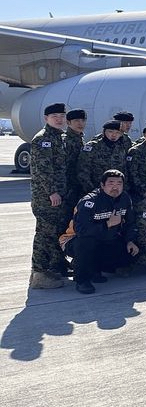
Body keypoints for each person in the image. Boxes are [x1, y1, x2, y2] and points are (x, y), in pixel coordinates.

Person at [60, 169, 139, 294]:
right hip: (75, 240)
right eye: (111, 183)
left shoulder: (124, 198)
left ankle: (95, 268)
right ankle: (82, 280)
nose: (115, 187)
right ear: (102, 185)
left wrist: (130, 240)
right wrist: (108, 223)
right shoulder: (89, 202)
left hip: (106, 239)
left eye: (119, 184)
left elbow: (130, 223)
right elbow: (81, 230)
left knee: (132, 252)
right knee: (87, 242)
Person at [29, 102, 69, 289]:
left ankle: (52, 268)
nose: (59, 119)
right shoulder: (43, 139)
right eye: (55, 117)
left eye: (62, 116)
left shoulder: (59, 137)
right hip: (46, 197)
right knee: (44, 234)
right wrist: (52, 191)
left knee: (54, 231)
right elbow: (43, 170)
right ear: (46, 119)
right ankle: (38, 272)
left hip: (57, 195)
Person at [77, 120, 129, 196]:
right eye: (110, 132)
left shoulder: (122, 147)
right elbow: (83, 170)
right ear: (104, 132)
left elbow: (124, 169)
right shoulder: (93, 147)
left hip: (116, 192)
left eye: (117, 133)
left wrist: (123, 189)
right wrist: (92, 191)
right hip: (96, 191)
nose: (114, 135)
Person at [63, 108, 87, 212]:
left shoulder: (80, 139)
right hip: (67, 186)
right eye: (77, 121)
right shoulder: (64, 140)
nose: (80, 123)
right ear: (68, 122)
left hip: (78, 185)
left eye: (83, 120)